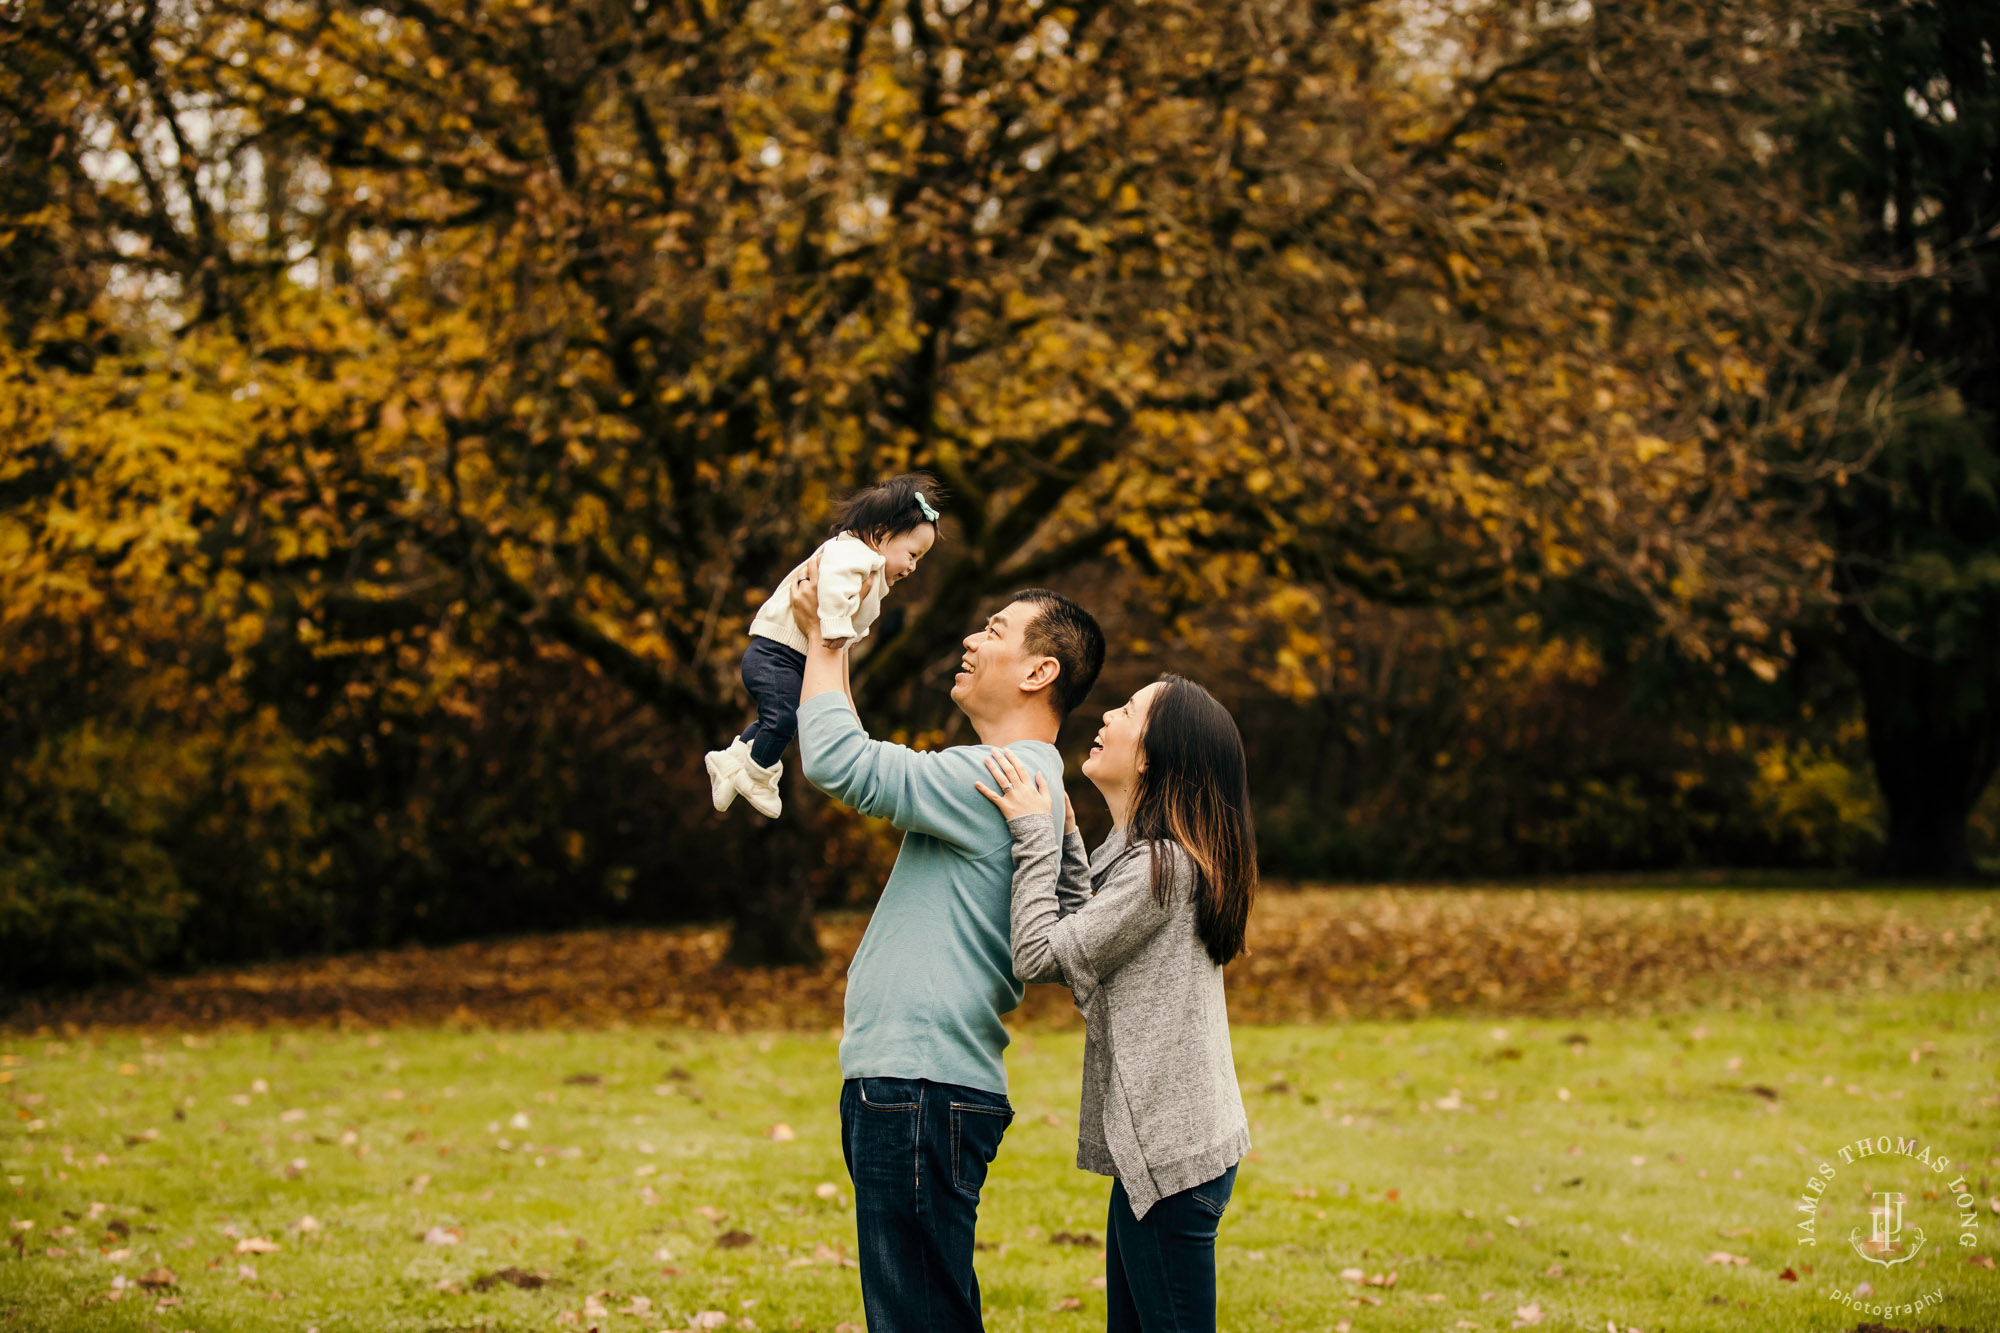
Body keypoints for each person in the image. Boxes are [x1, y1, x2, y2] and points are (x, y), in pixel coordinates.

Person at [788, 566, 1106, 1333]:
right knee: (923, 1308)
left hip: (919, 1083)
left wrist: (826, 637)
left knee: (918, 1316)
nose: (970, 638)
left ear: (1040, 670)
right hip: (915, 1082)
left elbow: (841, 762)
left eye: (994, 630)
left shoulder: (995, 777)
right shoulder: (1024, 780)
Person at [975, 675, 1255, 1333]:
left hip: (1169, 1158)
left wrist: (1031, 836)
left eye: (1128, 709)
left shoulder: (1162, 867)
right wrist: (1068, 837)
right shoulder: (1146, 857)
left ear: (1154, 754)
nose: (1106, 713)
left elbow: (1043, 954)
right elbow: (1087, 937)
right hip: (1161, 1155)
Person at [704, 473, 942, 818]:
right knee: (784, 718)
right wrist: (831, 628)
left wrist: (846, 703)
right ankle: (758, 776)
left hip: (787, 657)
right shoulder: (853, 554)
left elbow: (842, 644)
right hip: (775, 655)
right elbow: (830, 590)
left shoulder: (867, 564)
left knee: (782, 718)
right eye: (911, 554)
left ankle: (732, 761)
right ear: (881, 533)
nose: (912, 566)